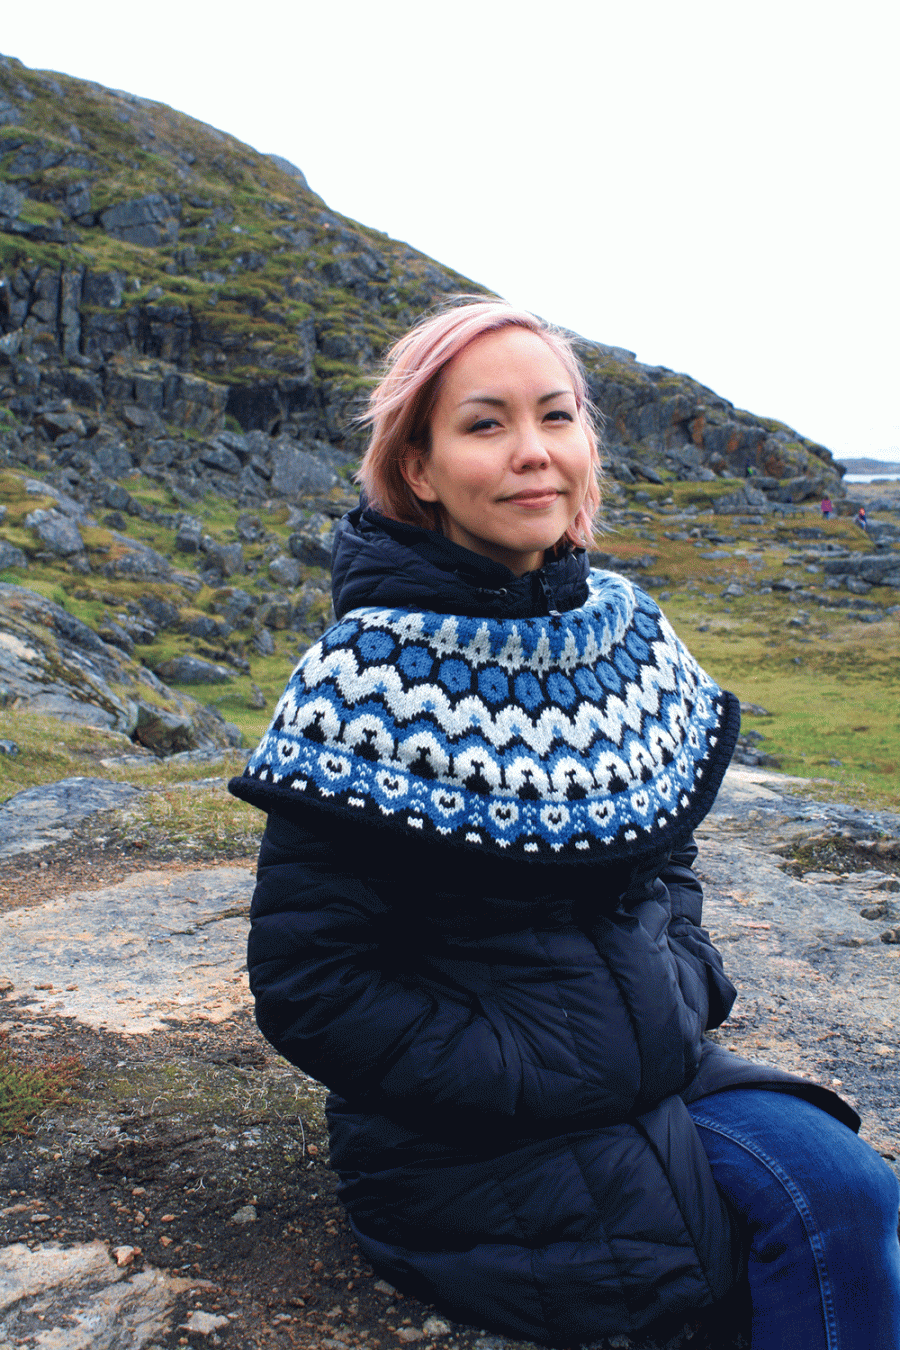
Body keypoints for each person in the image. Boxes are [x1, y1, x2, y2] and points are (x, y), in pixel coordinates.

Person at [229, 300, 900, 1349]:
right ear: (418, 466)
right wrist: (522, 1069)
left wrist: (688, 980)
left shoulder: (624, 632)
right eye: (485, 424)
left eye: (557, 416)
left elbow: (665, 851)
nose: (534, 453)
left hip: (662, 1069)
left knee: (852, 1195)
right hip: (474, 1132)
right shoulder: (367, 682)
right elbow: (313, 985)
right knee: (707, 1280)